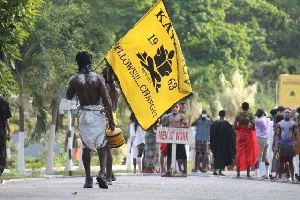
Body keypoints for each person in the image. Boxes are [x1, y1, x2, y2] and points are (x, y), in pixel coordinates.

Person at [66, 51, 115, 189]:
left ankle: (88, 179)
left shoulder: (74, 79)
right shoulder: (98, 79)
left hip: (84, 113)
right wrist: (111, 120)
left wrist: (73, 87)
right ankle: (101, 173)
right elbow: (106, 100)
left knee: (87, 147)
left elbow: (69, 96)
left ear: (78, 63)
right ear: (90, 62)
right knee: (103, 144)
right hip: (98, 114)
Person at [232, 102, 260, 178]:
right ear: (248, 108)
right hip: (248, 136)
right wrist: (247, 128)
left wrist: (240, 128)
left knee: (239, 154)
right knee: (248, 154)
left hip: (240, 137)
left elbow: (233, 127)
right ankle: (248, 173)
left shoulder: (238, 116)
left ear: (242, 107)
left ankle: (238, 173)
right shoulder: (250, 116)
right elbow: (254, 127)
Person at [161, 103, 189, 177]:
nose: (174, 108)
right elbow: (165, 125)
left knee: (183, 155)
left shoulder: (181, 116)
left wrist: (178, 128)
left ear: (179, 107)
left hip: (179, 138)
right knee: (169, 155)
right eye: (173, 107)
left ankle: (185, 171)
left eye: (176, 107)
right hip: (171, 138)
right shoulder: (168, 117)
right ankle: (168, 171)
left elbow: (186, 126)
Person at [274, 108, 298, 182]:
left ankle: (293, 177)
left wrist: (295, 146)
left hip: (290, 144)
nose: (287, 114)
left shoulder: (294, 123)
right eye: (285, 112)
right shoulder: (280, 124)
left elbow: (296, 136)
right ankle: (280, 176)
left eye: (288, 113)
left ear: (290, 114)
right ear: (284, 114)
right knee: (281, 161)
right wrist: (276, 145)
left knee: (290, 161)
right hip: (282, 144)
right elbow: (277, 135)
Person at [210, 110, 236, 176]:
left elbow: (211, 134)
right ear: (224, 115)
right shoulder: (226, 124)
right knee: (222, 157)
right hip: (224, 144)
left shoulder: (214, 124)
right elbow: (231, 133)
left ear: (219, 115)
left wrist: (212, 143)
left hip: (216, 144)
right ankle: (220, 171)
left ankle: (214, 170)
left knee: (216, 156)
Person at [253, 108, 271, 178]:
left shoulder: (258, 121)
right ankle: (267, 174)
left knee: (257, 156)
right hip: (266, 139)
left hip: (259, 139)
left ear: (259, 114)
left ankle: (257, 174)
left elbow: (253, 127)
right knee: (266, 156)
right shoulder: (268, 120)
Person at [0, 96, 12, 181]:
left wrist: (9, 131)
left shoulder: (3, 101)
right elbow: (6, 119)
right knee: (1, 154)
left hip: (1, 131)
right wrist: (9, 131)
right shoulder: (3, 101)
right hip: (1, 131)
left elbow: (6, 118)